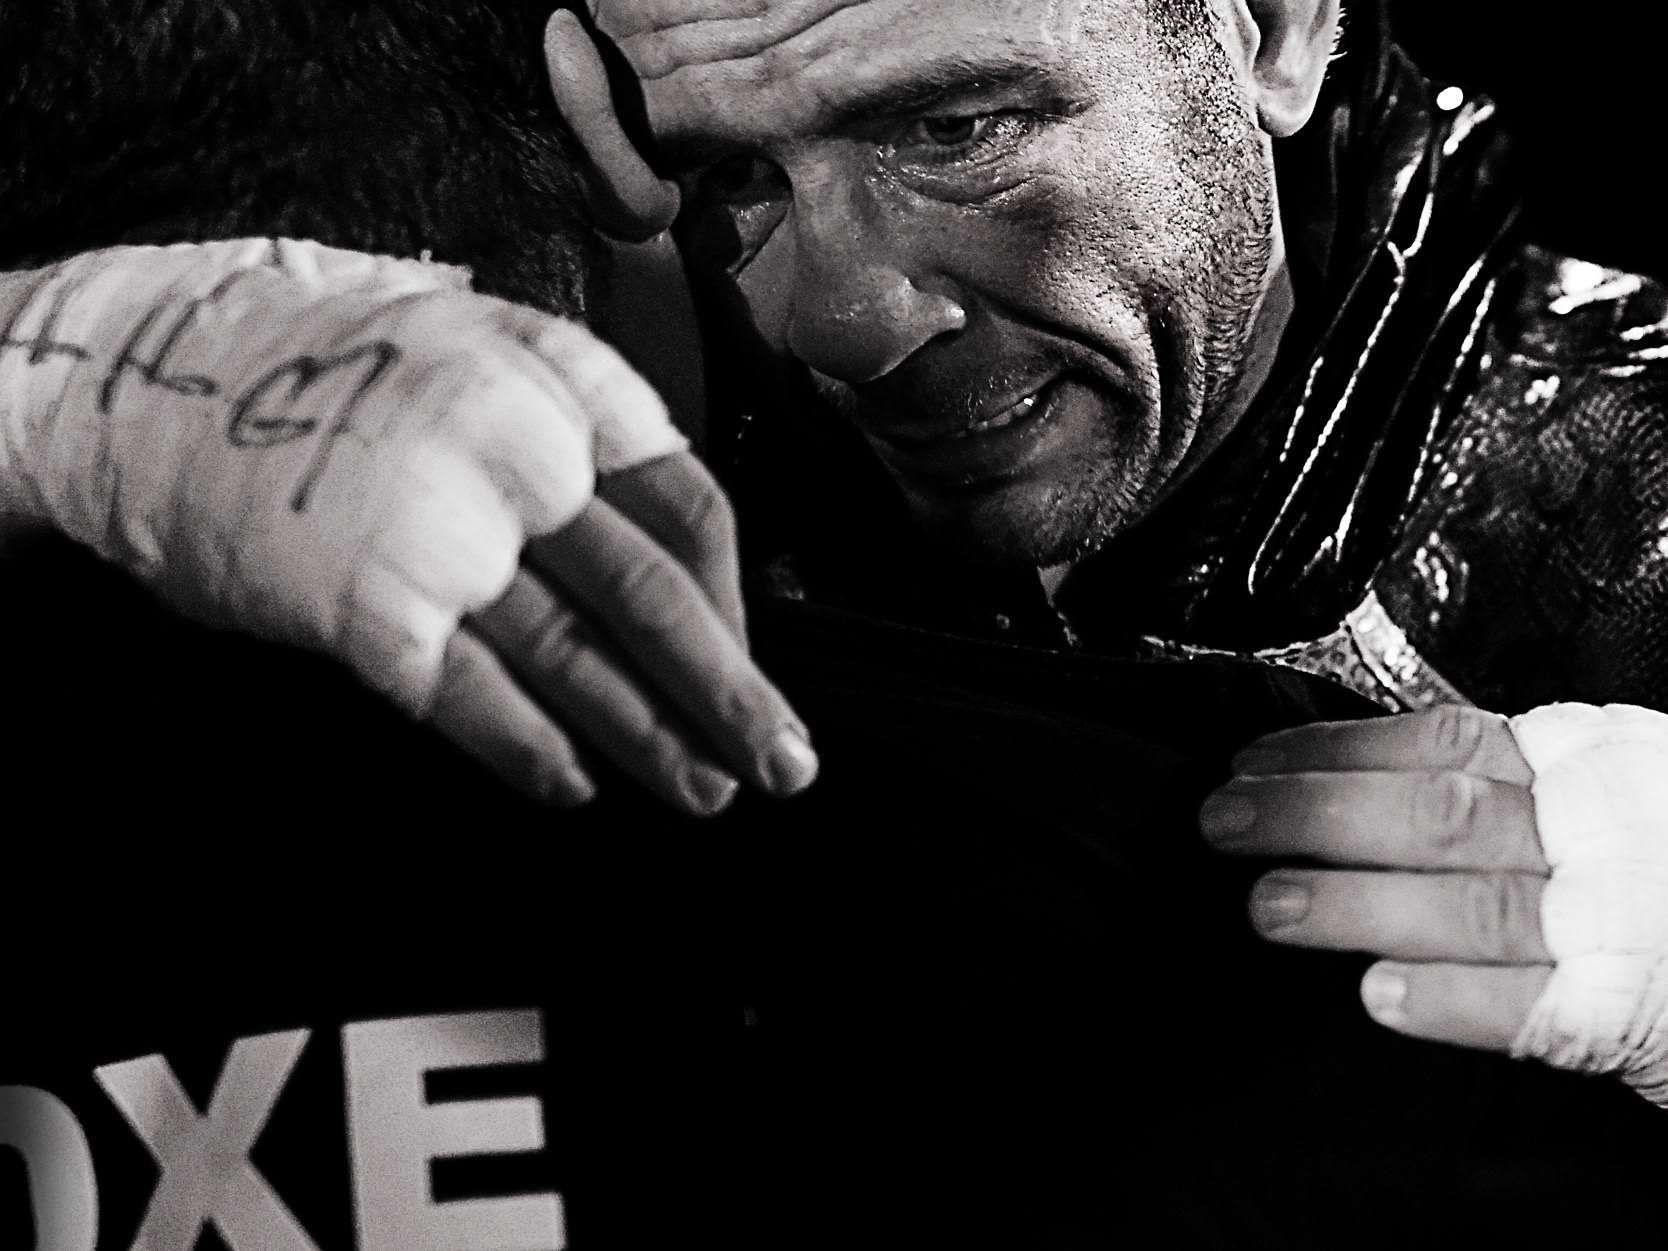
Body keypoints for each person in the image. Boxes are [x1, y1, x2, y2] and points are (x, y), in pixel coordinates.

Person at [4, 2, 1667, 1248]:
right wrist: (59, 374)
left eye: (958, 127)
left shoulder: (1627, 489)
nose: (848, 318)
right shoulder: (578, 374)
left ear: (1277, 27)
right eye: (727, 172)